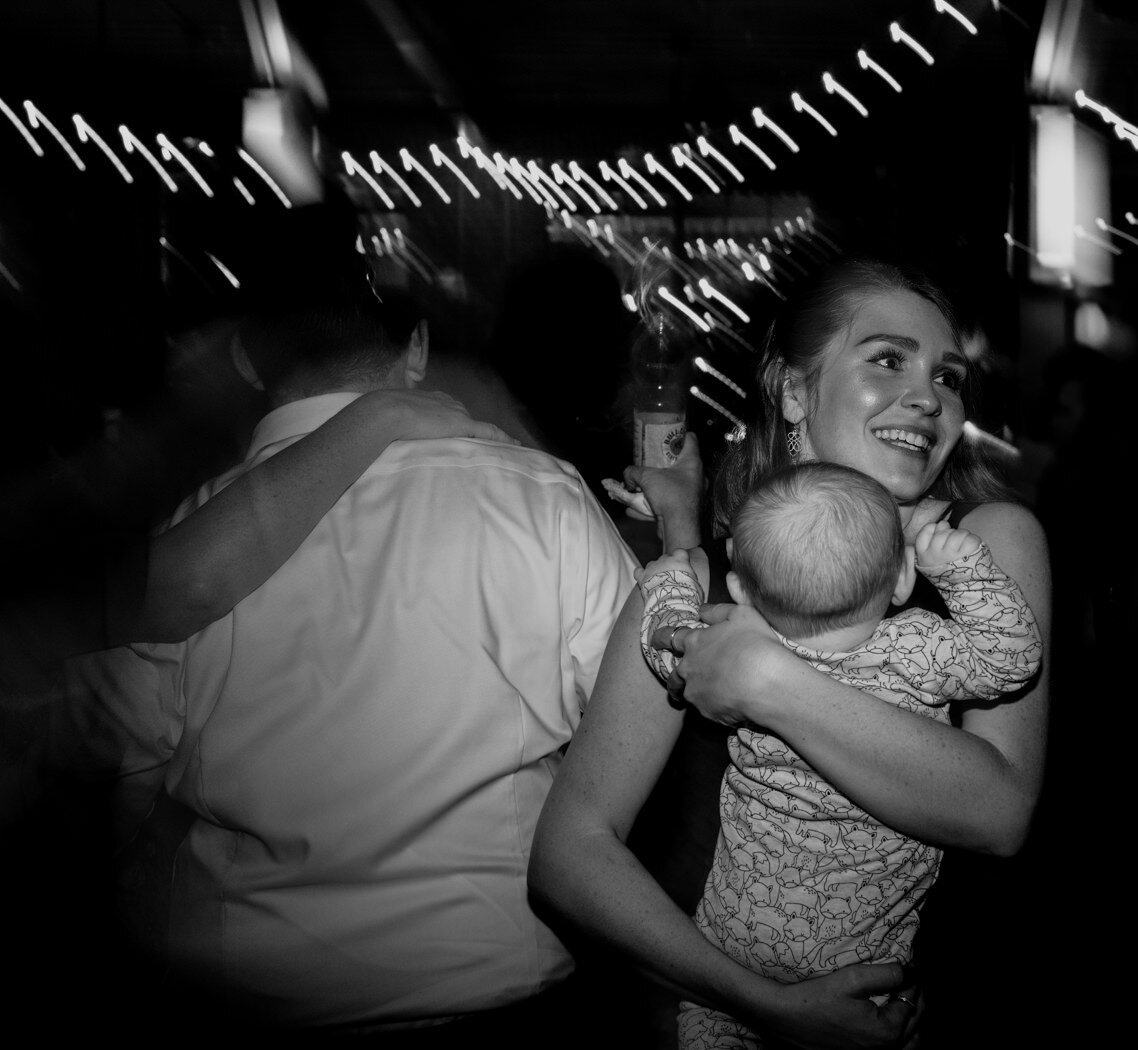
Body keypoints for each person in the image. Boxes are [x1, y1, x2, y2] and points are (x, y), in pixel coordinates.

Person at [63, 253, 640, 1036]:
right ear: (417, 349)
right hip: (493, 975)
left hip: (258, 986)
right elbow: (632, 720)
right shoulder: (542, 496)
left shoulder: (190, 534)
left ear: (246, 361)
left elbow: (121, 778)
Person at [529, 256, 1052, 1049]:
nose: (929, 396)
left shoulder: (979, 548)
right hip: (706, 1014)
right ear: (793, 389)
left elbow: (999, 811)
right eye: (886, 359)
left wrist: (770, 681)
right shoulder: (696, 580)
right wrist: (761, 1003)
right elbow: (568, 856)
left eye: (948, 377)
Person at [636, 460, 1042, 1049]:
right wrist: (961, 569)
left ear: (744, 591)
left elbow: (668, 640)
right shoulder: (920, 647)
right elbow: (1012, 660)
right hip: (860, 974)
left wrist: (672, 574)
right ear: (902, 579)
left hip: (729, 956)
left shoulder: (733, 653)